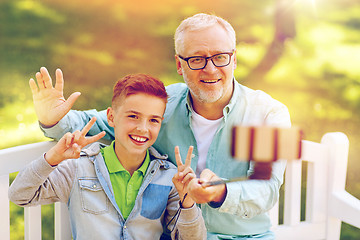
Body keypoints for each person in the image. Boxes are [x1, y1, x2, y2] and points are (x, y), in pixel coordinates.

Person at [30, 13, 291, 239]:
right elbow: (96, 124)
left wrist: (219, 192)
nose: (210, 69)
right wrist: (53, 119)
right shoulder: (162, 107)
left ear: (234, 59)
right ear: (179, 64)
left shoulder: (271, 114)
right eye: (197, 59)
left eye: (220, 57)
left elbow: (267, 190)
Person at [9, 74, 206, 240]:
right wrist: (52, 158)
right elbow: (19, 195)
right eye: (133, 116)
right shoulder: (78, 168)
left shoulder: (169, 178)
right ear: (111, 117)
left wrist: (187, 201)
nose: (143, 128)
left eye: (153, 120)